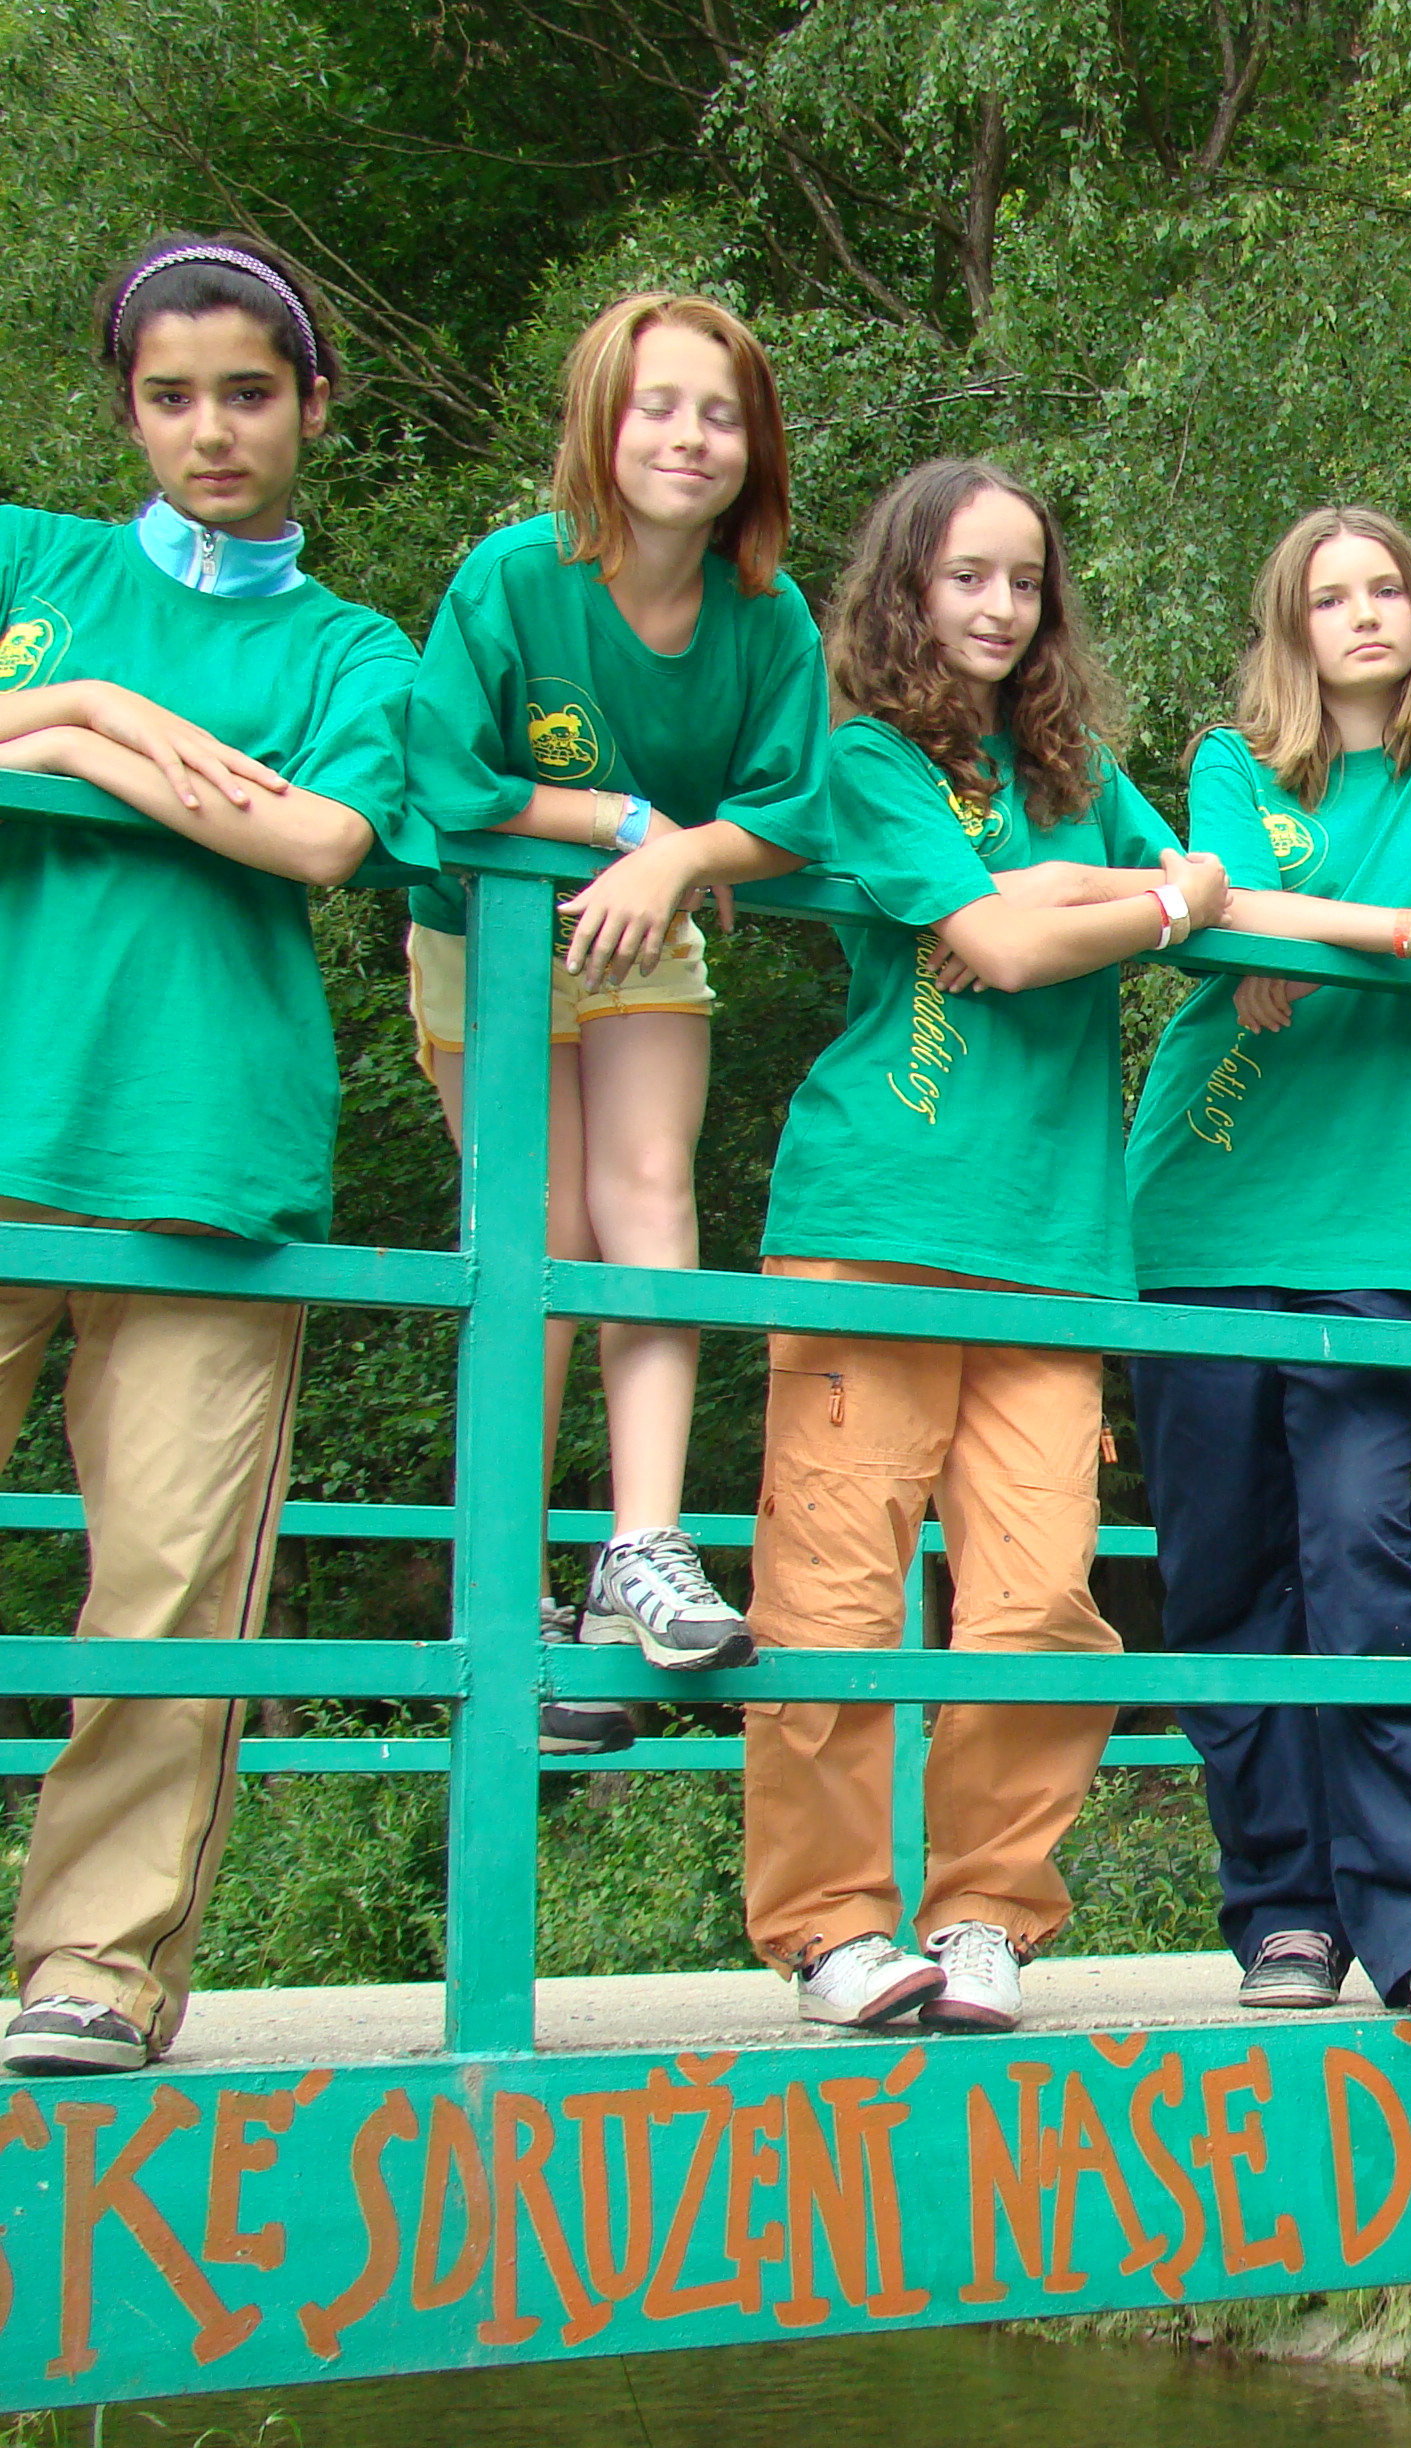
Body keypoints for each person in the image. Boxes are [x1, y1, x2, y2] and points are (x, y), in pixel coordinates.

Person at [0, 236, 418, 2074]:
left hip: (206, 1164)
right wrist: (105, 711)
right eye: (170, 398)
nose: (210, 431)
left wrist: (78, 745)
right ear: (127, 411)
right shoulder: (35, 564)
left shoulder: (351, 647)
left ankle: (93, 1964)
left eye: (247, 393)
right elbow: (241, 807)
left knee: (166, 1591)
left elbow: (321, 838)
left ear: (311, 404)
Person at [740, 460, 1226, 2032]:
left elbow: (1206, 881)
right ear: (905, 587)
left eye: (1026, 580)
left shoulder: (1076, 768)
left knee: (1039, 1598)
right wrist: (1141, 906)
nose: (1002, 608)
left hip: (1052, 1245)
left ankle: (983, 1916)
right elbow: (1004, 948)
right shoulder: (868, 753)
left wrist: (1126, 887)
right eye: (968, 577)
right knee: (835, 1591)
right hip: (874, 1221)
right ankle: (829, 1930)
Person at [1122, 506, 1411, 2025]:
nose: (1366, 613)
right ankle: (1284, 1916)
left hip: (1384, 1218)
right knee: (1224, 1572)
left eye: (1388, 588)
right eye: (1331, 596)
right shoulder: (1236, 761)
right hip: (1211, 1198)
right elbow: (1225, 902)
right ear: (1291, 626)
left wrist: (1357, 943)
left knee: (1361, 1547)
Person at [404, 293, 830, 1746]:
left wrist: (683, 858)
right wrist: (626, 820)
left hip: (643, 928)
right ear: (602, 419)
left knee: (649, 1202)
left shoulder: (767, 614)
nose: (688, 438)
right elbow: (444, 783)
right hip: (493, 933)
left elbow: (795, 808)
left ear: (754, 446)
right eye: (658, 405)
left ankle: (639, 1552)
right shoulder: (514, 578)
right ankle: (503, 1576)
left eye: (720, 414)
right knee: (540, 1233)